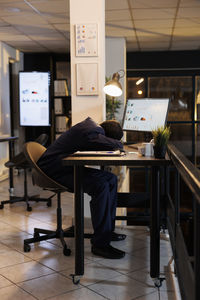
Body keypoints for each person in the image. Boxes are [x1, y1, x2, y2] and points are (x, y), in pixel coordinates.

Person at [38, 117, 126, 259]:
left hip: (63, 167)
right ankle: (100, 244)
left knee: (111, 179)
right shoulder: (91, 131)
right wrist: (118, 144)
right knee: (101, 185)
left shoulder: (91, 127)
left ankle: (107, 231)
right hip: (54, 172)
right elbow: (109, 144)